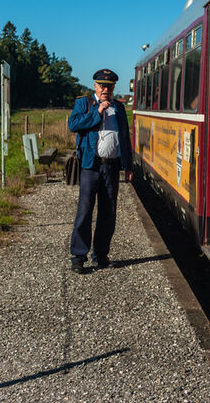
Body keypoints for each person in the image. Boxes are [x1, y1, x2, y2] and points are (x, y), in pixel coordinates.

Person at [68, 69, 133, 274]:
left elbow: (124, 137)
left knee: (108, 213)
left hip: (112, 166)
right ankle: (79, 256)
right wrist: (97, 112)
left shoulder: (119, 108)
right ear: (95, 86)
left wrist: (128, 166)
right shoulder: (84, 104)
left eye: (110, 86)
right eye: (102, 86)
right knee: (85, 211)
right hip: (91, 165)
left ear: (114, 88)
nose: (106, 89)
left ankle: (101, 256)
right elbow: (74, 125)